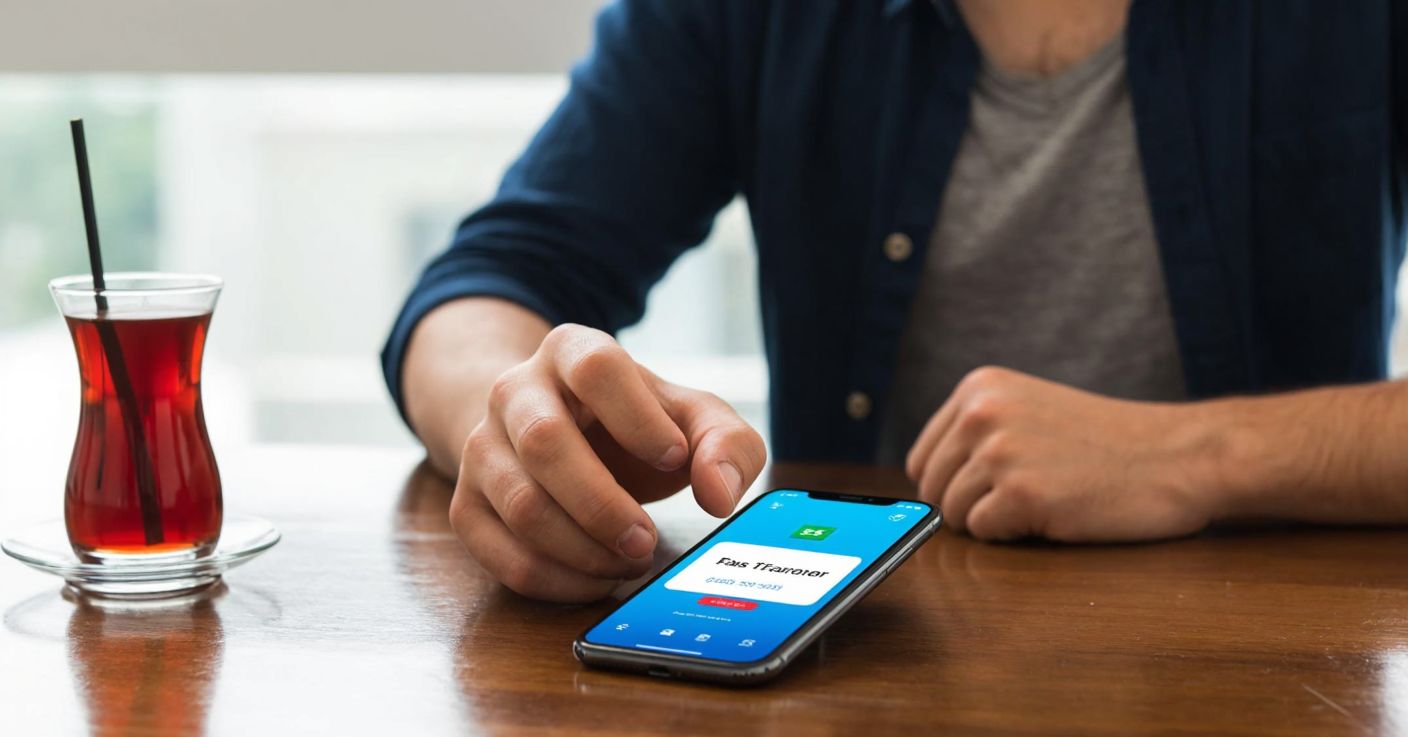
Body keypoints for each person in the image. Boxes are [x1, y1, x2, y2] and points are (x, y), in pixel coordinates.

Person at [383, 0, 1408, 601]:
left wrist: (1193, 457)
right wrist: (520, 420)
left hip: (1271, 659)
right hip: (865, 668)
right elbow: (491, 284)